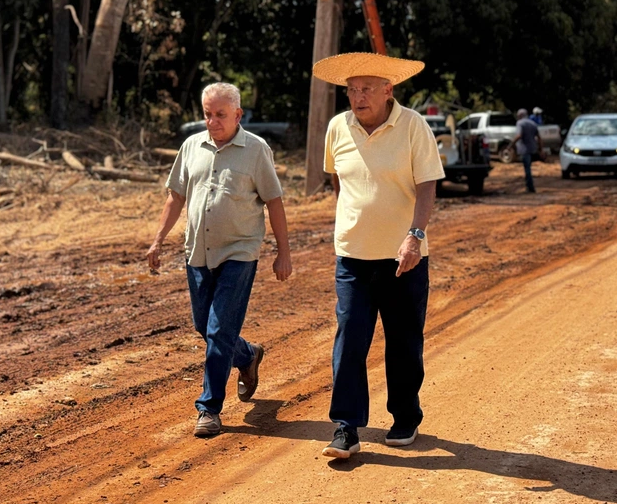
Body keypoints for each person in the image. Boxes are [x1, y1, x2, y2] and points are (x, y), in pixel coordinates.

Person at [312, 52, 445, 459]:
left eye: (366, 88)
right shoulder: (338, 128)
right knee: (349, 339)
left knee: (403, 342)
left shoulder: (413, 126)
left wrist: (414, 236)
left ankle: (405, 415)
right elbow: (339, 181)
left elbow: (427, 186)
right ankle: (346, 427)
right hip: (352, 257)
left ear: (388, 90)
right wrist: (354, 224)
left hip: (403, 258)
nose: (358, 96)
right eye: (352, 89)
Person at [146, 82, 292, 438]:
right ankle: (247, 355)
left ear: (238, 115)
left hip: (239, 252)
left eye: (220, 115)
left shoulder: (256, 150)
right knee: (205, 327)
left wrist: (283, 253)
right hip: (197, 251)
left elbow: (274, 202)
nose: (212, 122)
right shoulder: (191, 147)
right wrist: (157, 240)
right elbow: (175, 197)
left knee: (217, 330)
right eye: (207, 114)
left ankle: (208, 409)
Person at [508, 108, 542, 193]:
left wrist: (511, 144)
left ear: (520, 115)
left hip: (524, 149)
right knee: (529, 168)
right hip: (532, 149)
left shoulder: (520, 123)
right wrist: (540, 149)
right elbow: (539, 137)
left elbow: (519, 135)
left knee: (527, 169)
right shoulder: (533, 123)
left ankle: (530, 188)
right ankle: (530, 186)